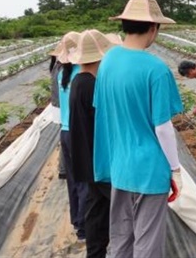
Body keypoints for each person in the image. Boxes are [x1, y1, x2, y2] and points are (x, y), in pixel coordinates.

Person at [93, 0, 183, 258]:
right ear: (153, 28)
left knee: (120, 237)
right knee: (148, 241)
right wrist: (175, 169)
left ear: (125, 24)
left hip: (119, 164)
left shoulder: (108, 61)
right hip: (149, 168)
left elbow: (103, 110)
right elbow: (163, 128)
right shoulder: (156, 69)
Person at [69, 30, 121, 258]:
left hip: (85, 158)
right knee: (124, 208)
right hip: (98, 160)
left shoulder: (78, 82)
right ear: (100, 56)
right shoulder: (91, 85)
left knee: (95, 211)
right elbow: (105, 124)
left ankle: (96, 253)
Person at [56, 31, 87, 241]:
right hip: (79, 132)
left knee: (73, 180)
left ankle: (77, 221)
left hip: (65, 131)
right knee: (85, 180)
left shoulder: (62, 73)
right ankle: (85, 227)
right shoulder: (80, 74)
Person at [48, 44, 66, 180]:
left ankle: (63, 168)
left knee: (64, 135)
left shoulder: (55, 67)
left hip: (57, 106)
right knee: (65, 135)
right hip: (61, 106)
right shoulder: (61, 69)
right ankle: (63, 168)